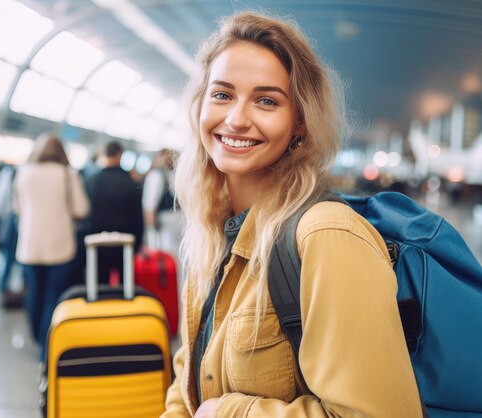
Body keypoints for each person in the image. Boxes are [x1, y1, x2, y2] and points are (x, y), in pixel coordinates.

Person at [162, 12, 423, 418]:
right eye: (222, 94)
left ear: (300, 122)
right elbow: (187, 383)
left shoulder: (326, 236)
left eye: (267, 100)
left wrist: (231, 413)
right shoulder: (212, 236)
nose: (236, 119)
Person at [13, 133, 89, 362]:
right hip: (60, 245)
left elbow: (16, 208)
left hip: (29, 246)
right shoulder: (66, 175)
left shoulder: (23, 173)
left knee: (34, 293)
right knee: (53, 297)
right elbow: (82, 209)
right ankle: (46, 350)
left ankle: (37, 337)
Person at [86, 141, 144, 283]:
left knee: (99, 285)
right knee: (126, 286)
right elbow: (137, 216)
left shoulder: (92, 181)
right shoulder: (130, 182)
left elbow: (86, 215)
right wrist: (138, 244)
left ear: (103, 154)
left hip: (97, 243)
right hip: (125, 243)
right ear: (120, 155)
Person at [0, 163, 21, 307]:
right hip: (15, 222)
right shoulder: (11, 174)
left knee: (7, 257)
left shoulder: (8, 174)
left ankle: (6, 290)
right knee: (9, 258)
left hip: (10, 219)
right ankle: (6, 290)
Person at [142, 149, 182, 258]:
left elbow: (150, 203)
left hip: (164, 219)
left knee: (165, 254)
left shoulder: (156, 175)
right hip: (180, 218)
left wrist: (150, 226)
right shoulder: (177, 174)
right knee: (179, 255)